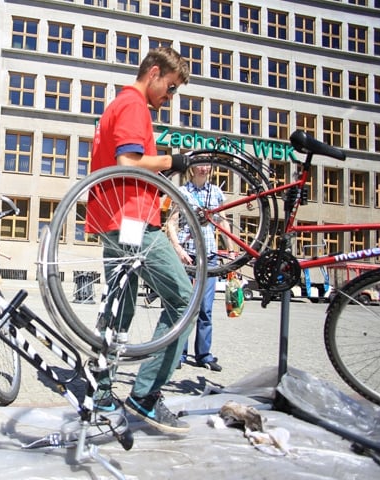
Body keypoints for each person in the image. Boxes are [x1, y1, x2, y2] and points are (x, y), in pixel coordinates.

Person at [87, 47, 192, 434]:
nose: (170, 97)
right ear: (153, 73)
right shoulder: (134, 106)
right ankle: (145, 396)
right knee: (184, 300)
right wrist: (172, 162)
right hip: (133, 220)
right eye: (171, 87)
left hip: (112, 219)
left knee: (119, 308)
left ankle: (100, 393)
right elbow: (128, 162)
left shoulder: (116, 103)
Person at [167, 164, 236, 372]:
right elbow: (171, 222)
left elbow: (223, 223)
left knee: (206, 308)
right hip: (187, 254)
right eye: (200, 165)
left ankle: (204, 355)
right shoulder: (182, 191)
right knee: (185, 306)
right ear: (192, 168)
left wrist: (231, 250)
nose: (204, 168)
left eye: (207, 165)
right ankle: (179, 353)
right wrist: (178, 249)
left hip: (210, 256)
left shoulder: (216, 192)